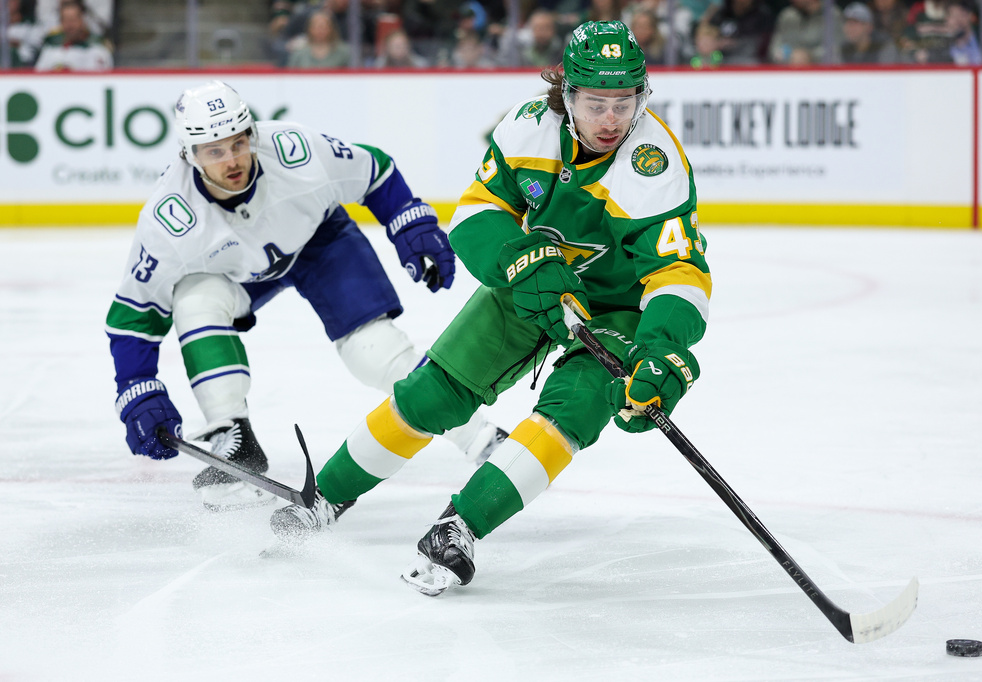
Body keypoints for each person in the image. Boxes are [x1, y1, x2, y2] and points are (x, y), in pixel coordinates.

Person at [269, 21, 711, 597]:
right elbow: (476, 214)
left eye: (624, 103)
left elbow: (679, 272)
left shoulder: (655, 163)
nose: (611, 119)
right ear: (567, 94)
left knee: (572, 411)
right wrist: (520, 259)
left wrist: (659, 348)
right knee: (431, 392)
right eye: (596, 102)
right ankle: (326, 495)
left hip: (618, 308)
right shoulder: (529, 126)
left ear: (641, 97)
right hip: (529, 278)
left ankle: (460, 527)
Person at [106, 81, 506, 512]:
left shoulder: (296, 150)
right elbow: (134, 312)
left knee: (376, 352)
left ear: (253, 135)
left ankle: (481, 437)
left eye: (238, 143)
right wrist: (137, 387)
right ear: (189, 155)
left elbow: (376, 169)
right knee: (193, 299)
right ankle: (233, 435)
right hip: (236, 273)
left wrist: (409, 222)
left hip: (320, 242)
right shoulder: (170, 217)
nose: (233, 160)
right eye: (214, 151)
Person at [33, 0, 111, 71]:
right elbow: (37, 78)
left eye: (73, 20)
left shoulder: (97, 50)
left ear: (82, 21)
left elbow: (100, 80)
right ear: (61, 23)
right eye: (66, 20)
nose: (70, 25)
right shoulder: (50, 50)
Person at [768, 0, 843, 64]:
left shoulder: (832, 15)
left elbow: (837, 49)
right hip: (789, 71)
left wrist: (810, 56)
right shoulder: (787, 16)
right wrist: (791, 55)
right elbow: (775, 49)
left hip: (823, 73)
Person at [286, 8, 351, 68]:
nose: (320, 30)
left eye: (323, 27)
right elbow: (291, 75)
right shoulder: (299, 52)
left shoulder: (344, 52)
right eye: (316, 26)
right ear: (309, 29)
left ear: (331, 28)